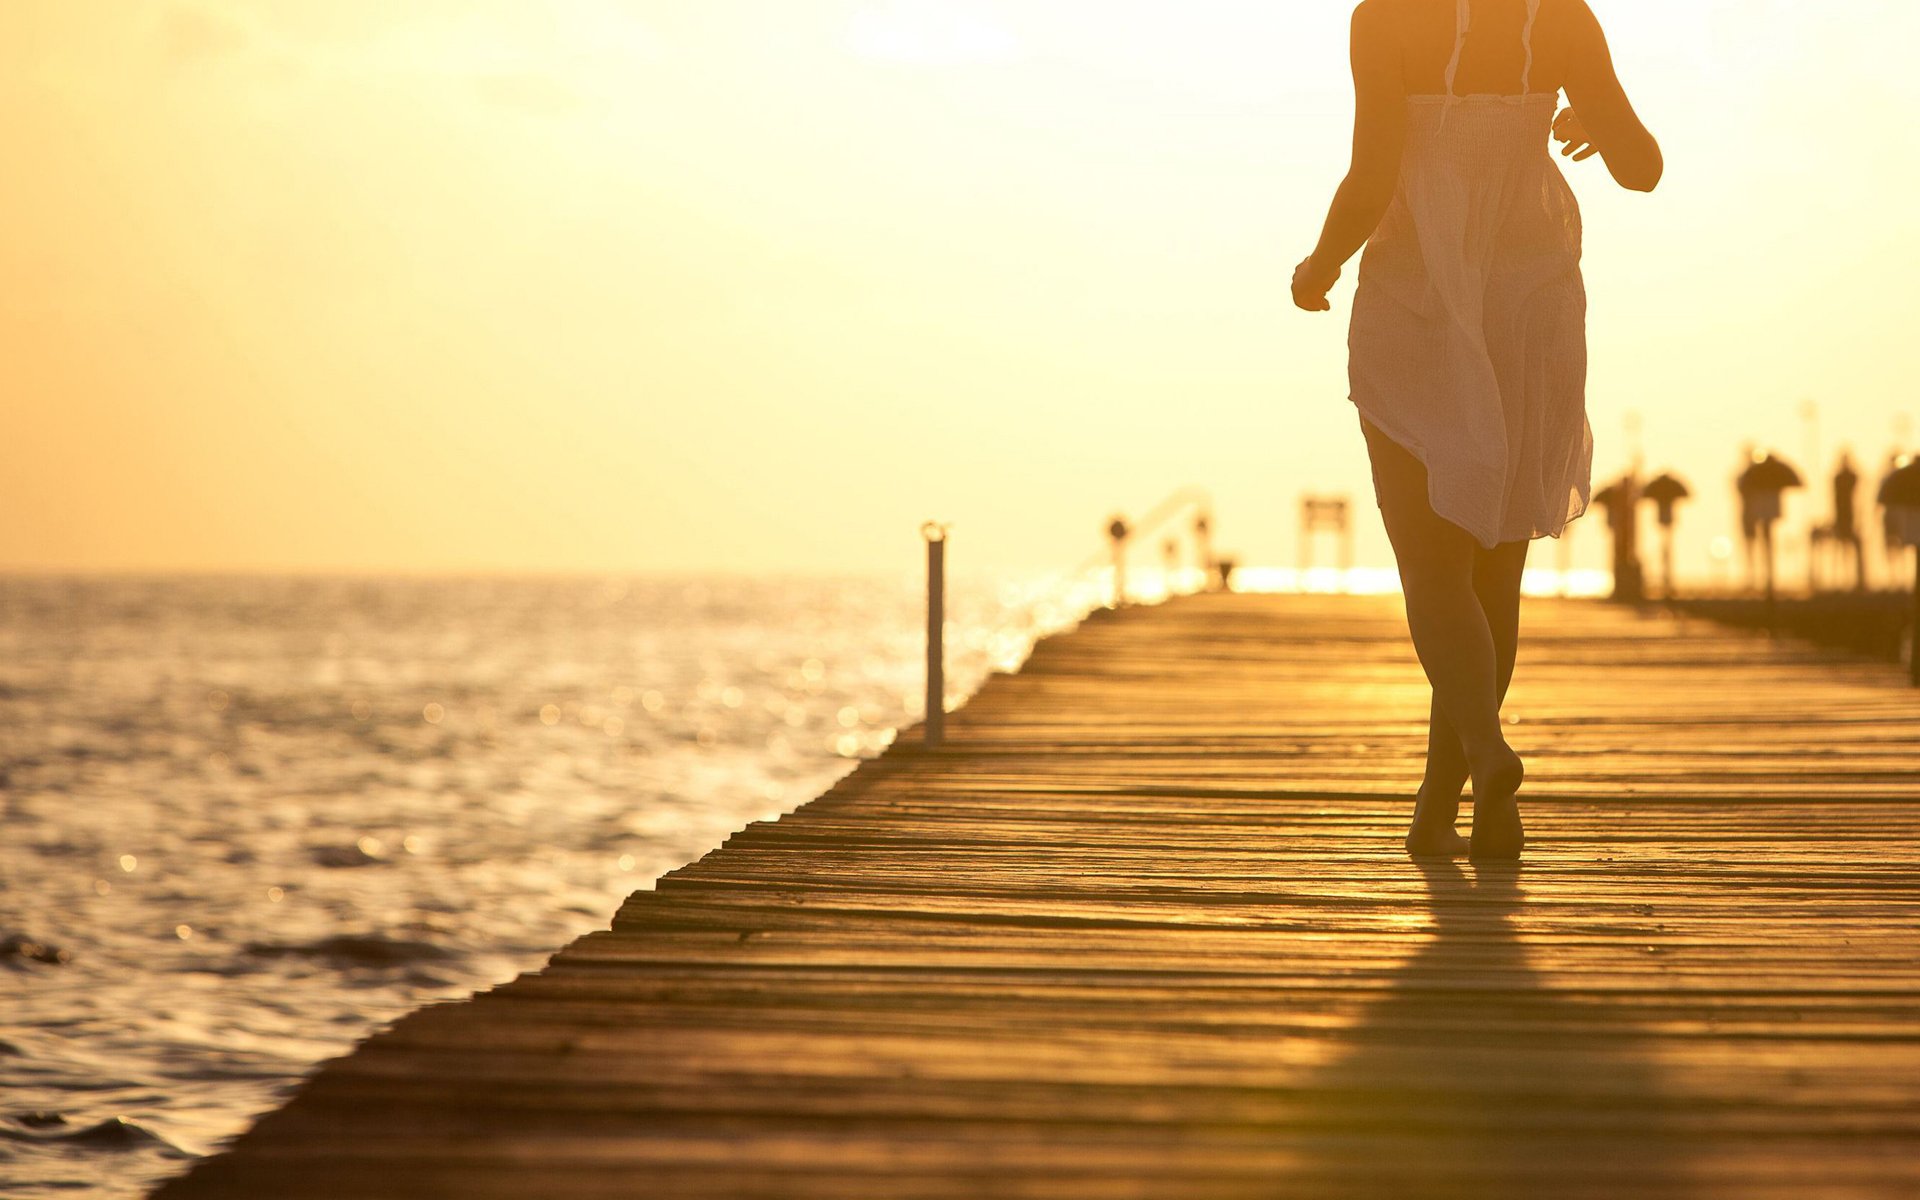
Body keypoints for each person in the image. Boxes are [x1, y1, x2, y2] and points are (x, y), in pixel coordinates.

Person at [1291, 0, 1661, 859]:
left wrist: (1319, 265)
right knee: (1494, 576)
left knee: (1432, 569)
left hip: (1415, 300)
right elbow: (1642, 169)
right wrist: (1598, 125)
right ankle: (1446, 806)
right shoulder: (1561, 18)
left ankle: (1489, 755)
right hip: (1531, 312)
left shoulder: (1384, 19)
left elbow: (1373, 173)